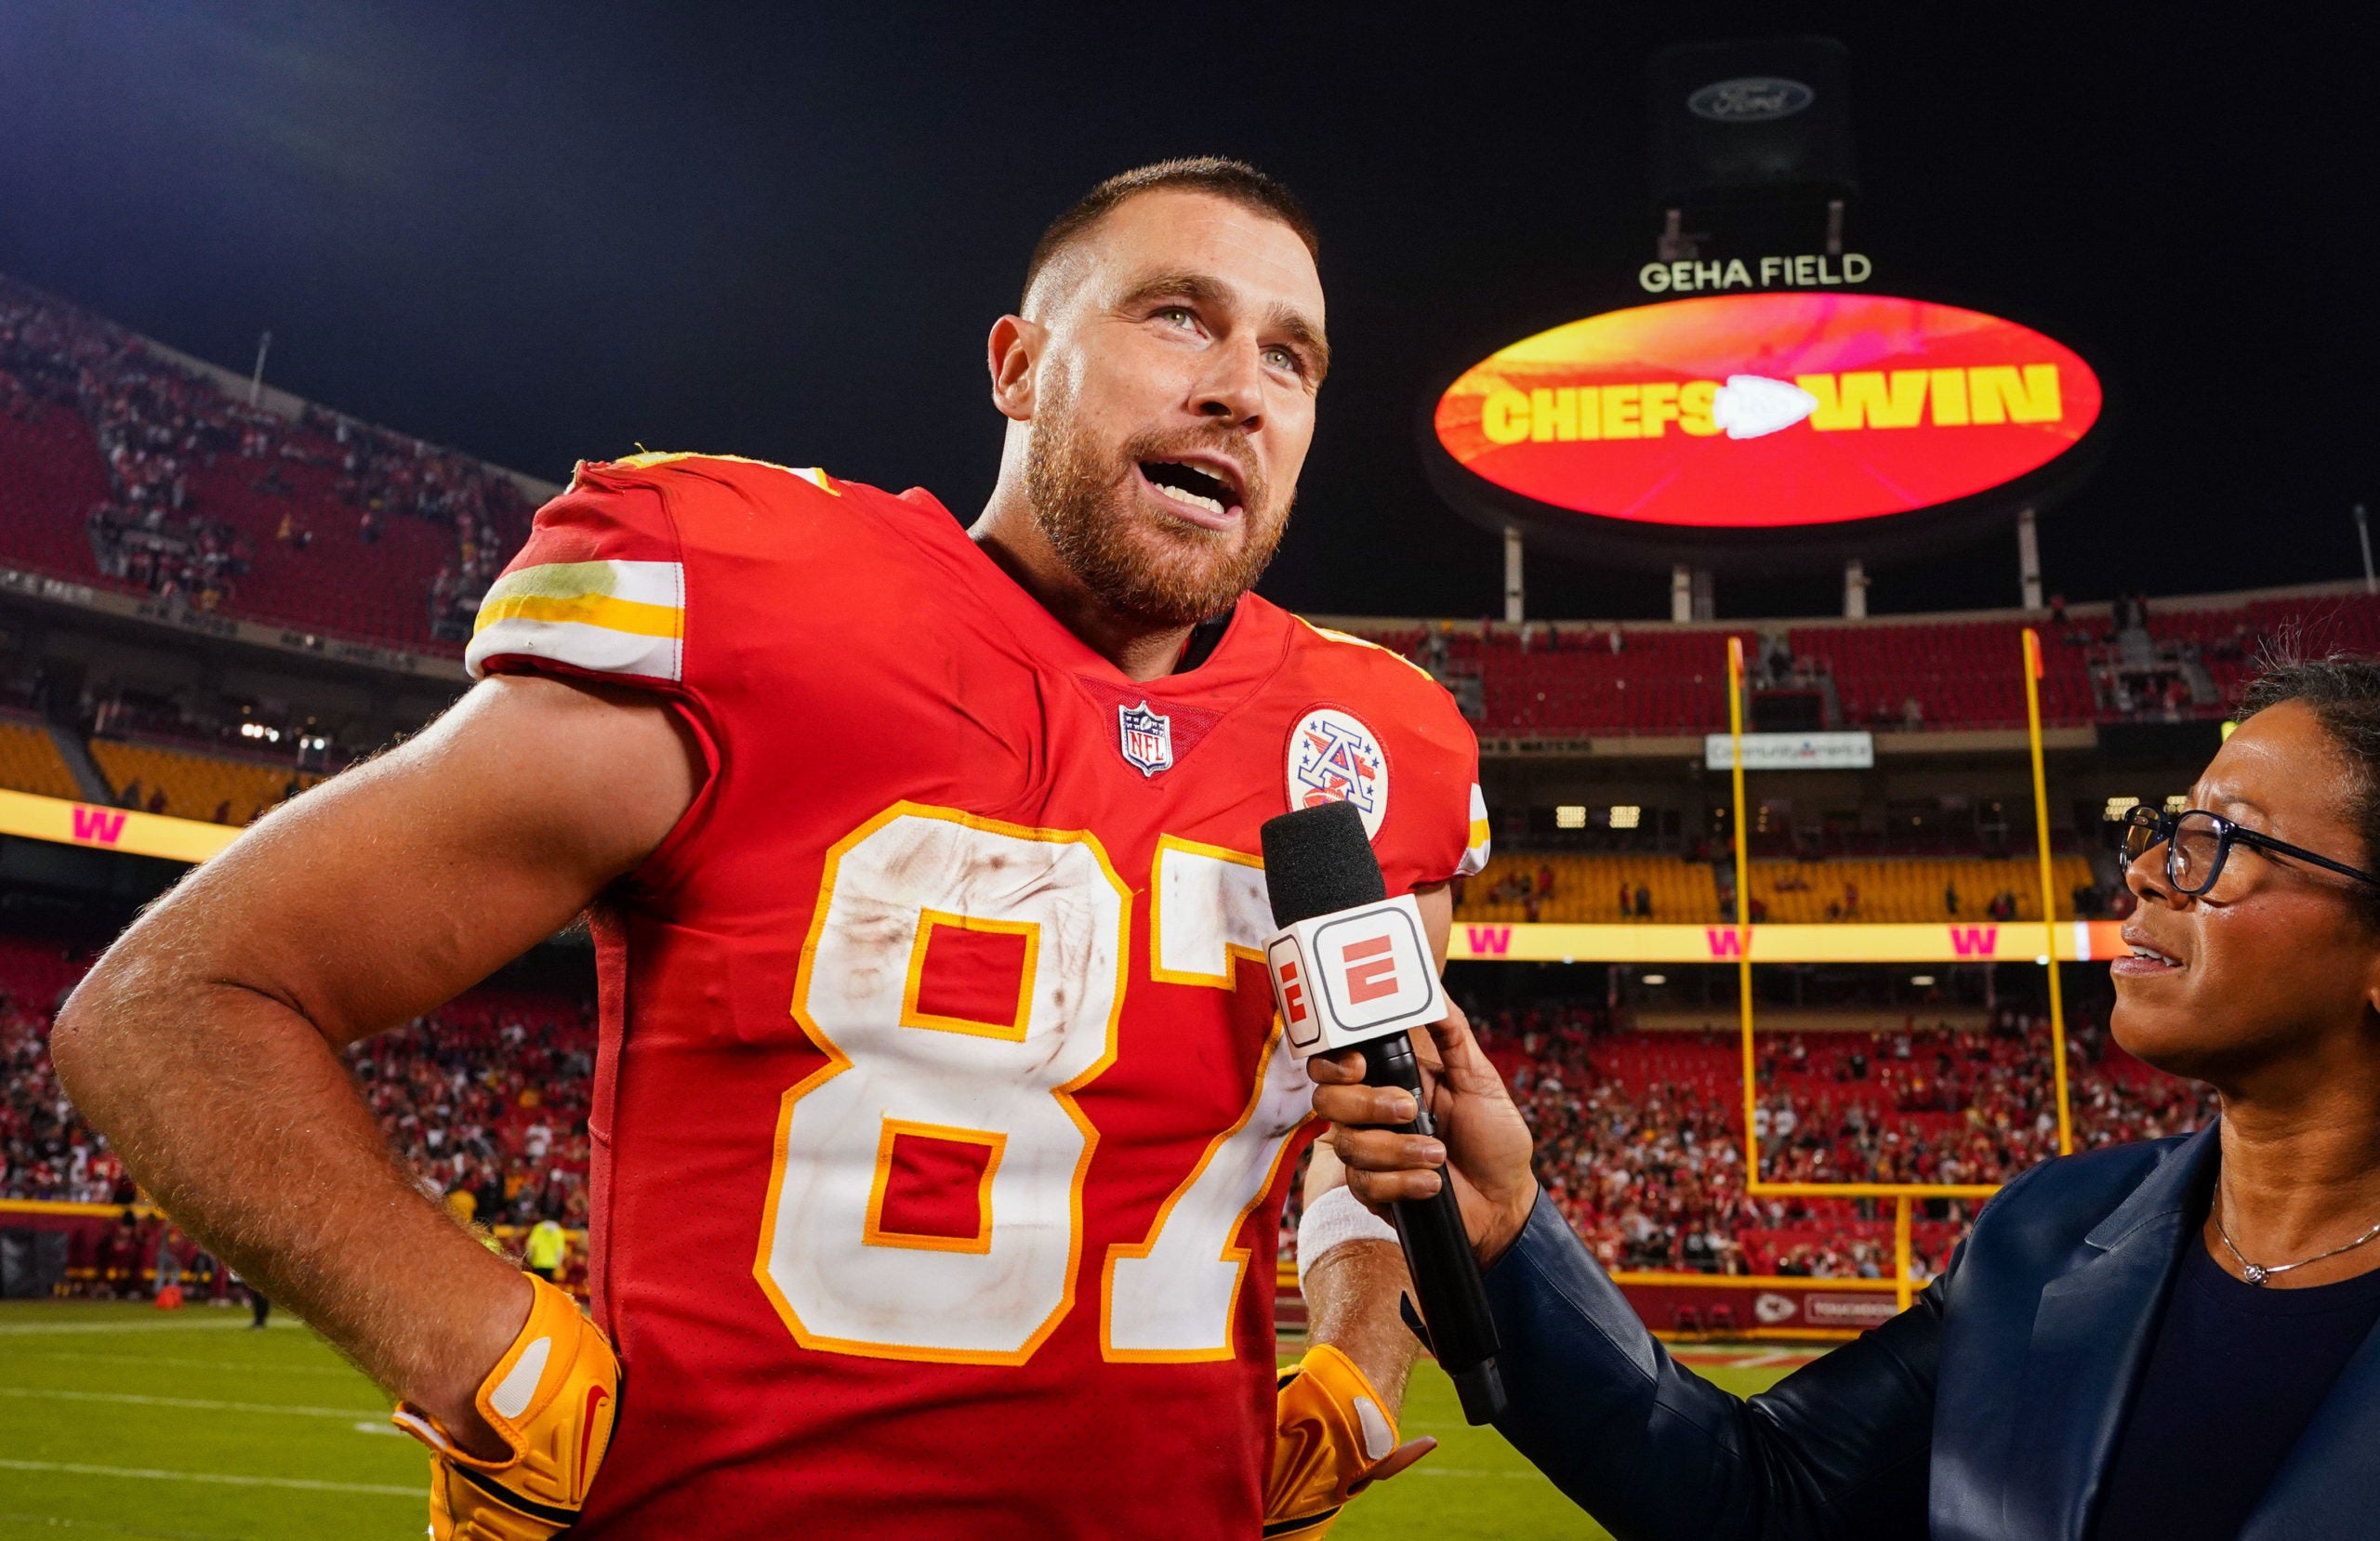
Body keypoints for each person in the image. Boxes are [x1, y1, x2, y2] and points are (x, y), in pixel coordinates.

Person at [52, 159, 1483, 1540]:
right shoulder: (761, 601)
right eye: (1178, 314)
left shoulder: (1371, 741)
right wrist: (474, 1345)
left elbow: (1389, 1129)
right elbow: (170, 1003)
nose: (1240, 384)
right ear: (1020, 365)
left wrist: (1361, 1357)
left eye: (1292, 357)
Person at [1313, 655, 2380, 1540]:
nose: (2147, 867)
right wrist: (1507, 1228)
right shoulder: (2046, 1238)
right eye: (2162, 826)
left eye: (2219, 843)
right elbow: (1761, 1495)